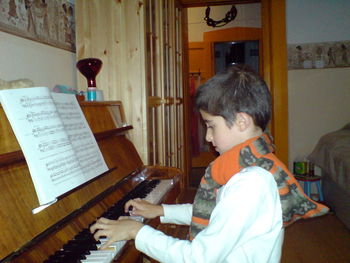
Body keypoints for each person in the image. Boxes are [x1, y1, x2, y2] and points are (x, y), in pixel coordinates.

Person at [90, 65, 329, 263]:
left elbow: (198, 258)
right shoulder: (251, 164)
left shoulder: (251, 182)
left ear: (242, 121)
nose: (207, 137)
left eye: (211, 125)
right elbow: (219, 213)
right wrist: (161, 212)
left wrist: (136, 231)